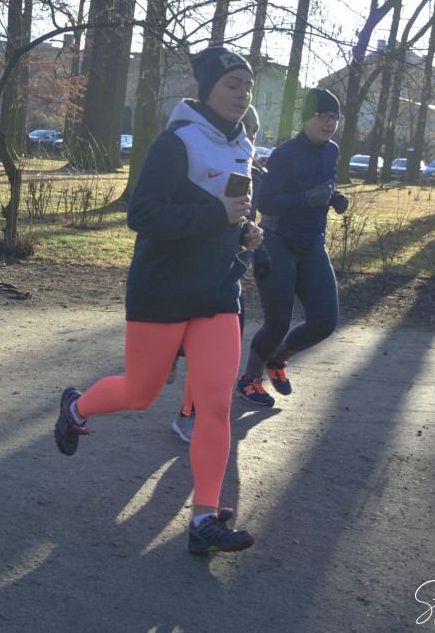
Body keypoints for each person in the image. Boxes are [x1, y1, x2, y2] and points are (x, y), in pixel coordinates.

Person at [52, 46, 260, 554]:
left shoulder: (242, 147)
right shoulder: (175, 143)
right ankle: (76, 407)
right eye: (232, 84)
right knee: (141, 393)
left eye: (247, 88)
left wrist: (245, 234)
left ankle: (204, 519)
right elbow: (142, 215)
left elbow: (228, 215)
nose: (241, 95)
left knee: (214, 405)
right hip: (163, 289)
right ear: (209, 87)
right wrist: (218, 215)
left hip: (216, 292)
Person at [235, 88, 350, 407]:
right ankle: (249, 380)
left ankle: (278, 360)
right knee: (278, 322)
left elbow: (324, 186)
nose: (329, 124)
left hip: (313, 246)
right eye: (323, 116)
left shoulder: (331, 151)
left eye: (334, 118)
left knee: (325, 321)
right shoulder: (285, 154)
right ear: (306, 118)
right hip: (279, 240)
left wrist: (333, 197)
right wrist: (307, 199)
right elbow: (267, 202)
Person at [170, 104, 270, 443]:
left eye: (254, 133)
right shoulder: (202, 157)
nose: (250, 139)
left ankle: (200, 413)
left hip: (227, 275)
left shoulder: (245, 166)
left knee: (221, 354)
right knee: (190, 355)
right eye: (246, 130)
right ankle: (186, 413)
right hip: (191, 272)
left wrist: (249, 234)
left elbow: (236, 221)